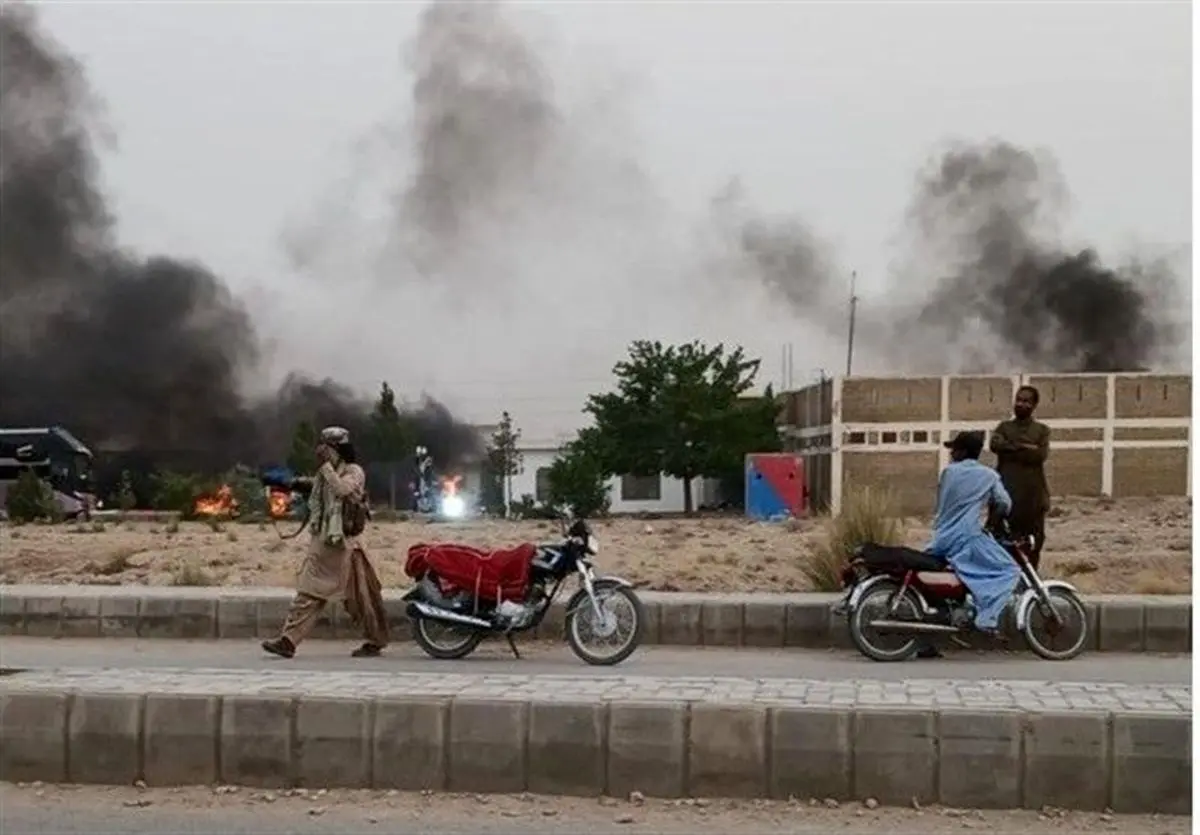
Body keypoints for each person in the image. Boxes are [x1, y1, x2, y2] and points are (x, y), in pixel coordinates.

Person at [262, 426, 390, 659]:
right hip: (325, 544)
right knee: (308, 593)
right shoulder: (327, 472)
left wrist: (326, 467)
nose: (323, 452)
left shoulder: (354, 471)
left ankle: (376, 640)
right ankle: (288, 641)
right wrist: (290, 483)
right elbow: (320, 488)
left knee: (362, 598)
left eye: (328, 448)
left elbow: (341, 489)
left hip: (347, 545)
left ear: (339, 449)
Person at [926, 430, 1021, 637]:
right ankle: (986, 618)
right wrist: (991, 523)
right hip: (966, 538)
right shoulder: (988, 475)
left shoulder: (948, 473)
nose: (951, 455)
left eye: (954, 450)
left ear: (962, 452)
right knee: (1010, 570)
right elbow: (1004, 503)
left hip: (940, 538)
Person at [989, 385, 1051, 569]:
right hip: (1005, 499)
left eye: (1026, 401)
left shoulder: (1041, 430)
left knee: (1032, 546)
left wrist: (1011, 447)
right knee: (1000, 545)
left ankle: (1030, 588)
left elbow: (1039, 456)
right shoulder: (1004, 427)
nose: (1021, 404)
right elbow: (995, 445)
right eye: (1018, 400)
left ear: (1034, 405)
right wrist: (1025, 446)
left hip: (1032, 500)